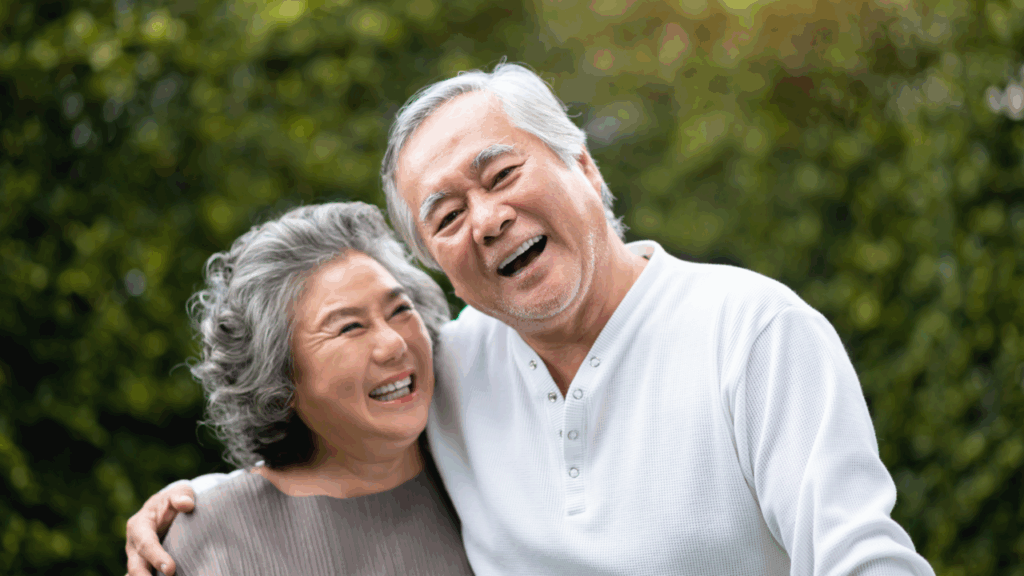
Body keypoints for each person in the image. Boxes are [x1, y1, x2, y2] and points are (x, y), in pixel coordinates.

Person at [127, 64, 935, 575]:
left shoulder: (751, 330)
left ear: (583, 163)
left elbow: (859, 556)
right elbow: (342, 447)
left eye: (502, 172)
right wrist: (206, 511)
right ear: (439, 261)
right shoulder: (444, 372)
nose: (484, 219)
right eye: (444, 216)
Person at [145, 202, 472, 575]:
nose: (395, 343)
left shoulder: (482, 476)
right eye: (350, 327)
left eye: (400, 309)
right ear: (280, 379)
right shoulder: (208, 536)